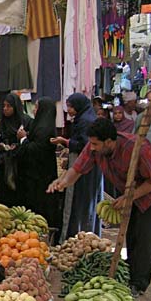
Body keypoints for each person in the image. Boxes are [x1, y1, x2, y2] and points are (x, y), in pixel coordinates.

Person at [47, 118, 151, 296]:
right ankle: (131, 272)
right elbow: (77, 169)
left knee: (146, 235)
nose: (91, 147)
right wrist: (62, 182)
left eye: (95, 144)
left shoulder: (137, 148)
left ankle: (139, 283)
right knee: (132, 231)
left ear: (109, 142)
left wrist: (130, 196)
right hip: (130, 189)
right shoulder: (95, 148)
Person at [52, 93, 103, 240]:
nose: (69, 110)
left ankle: (78, 235)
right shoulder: (84, 118)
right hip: (86, 166)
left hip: (84, 167)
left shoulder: (85, 121)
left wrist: (65, 142)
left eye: (70, 106)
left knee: (79, 201)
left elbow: (85, 146)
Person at [15, 96, 62, 237]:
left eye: (36, 107)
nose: (34, 110)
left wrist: (23, 138)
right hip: (38, 174)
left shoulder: (44, 129)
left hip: (40, 177)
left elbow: (35, 151)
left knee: (40, 206)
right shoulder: (41, 125)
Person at [0, 93, 33, 207]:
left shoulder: (26, 122)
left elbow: (31, 142)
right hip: (5, 166)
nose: (5, 109)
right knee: (6, 199)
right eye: (4, 106)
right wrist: (0, 146)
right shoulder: (2, 123)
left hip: (21, 167)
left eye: (8, 106)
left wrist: (20, 143)